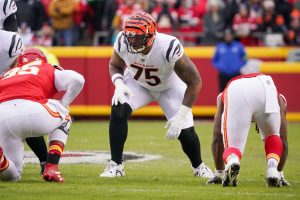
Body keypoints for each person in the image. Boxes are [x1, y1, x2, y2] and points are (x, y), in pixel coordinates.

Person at [99, 12, 213, 179]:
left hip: (169, 87)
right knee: (118, 108)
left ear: (151, 35)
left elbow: (195, 81)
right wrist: (119, 84)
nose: (132, 41)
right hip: (137, 84)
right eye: (130, 36)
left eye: (137, 37)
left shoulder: (168, 46)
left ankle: (199, 167)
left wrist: (181, 116)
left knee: (185, 132)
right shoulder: (123, 40)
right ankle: (116, 166)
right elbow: (114, 66)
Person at [0, 47, 85, 182]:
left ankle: (1, 161)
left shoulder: (7, 74)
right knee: (64, 117)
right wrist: (64, 105)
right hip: (30, 109)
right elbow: (78, 79)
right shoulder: (46, 67)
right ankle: (51, 166)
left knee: (12, 176)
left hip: (2, 116)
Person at [205, 73, 286, 187]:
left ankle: (233, 161)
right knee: (273, 135)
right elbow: (283, 140)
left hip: (238, 89)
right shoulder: (279, 99)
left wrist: (219, 173)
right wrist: (280, 173)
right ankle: (273, 169)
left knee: (233, 147)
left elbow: (217, 137)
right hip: (267, 86)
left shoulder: (223, 97)